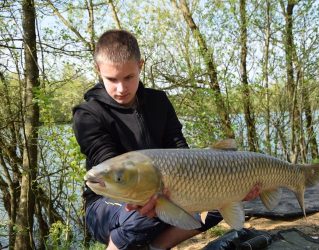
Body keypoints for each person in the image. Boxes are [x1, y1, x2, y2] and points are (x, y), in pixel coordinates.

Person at [73, 29, 260, 250]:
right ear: (98, 70)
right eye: (111, 79)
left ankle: (157, 247)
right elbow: (109, 161)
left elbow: (181, 150)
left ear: (140, 65)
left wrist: (234, 187)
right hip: (107, 200)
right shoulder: (87, 114)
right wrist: (147, 194)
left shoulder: (159, 101)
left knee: (219, 201)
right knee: (143, 213)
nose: (121, 88)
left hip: (163, 191)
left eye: (129, 77)